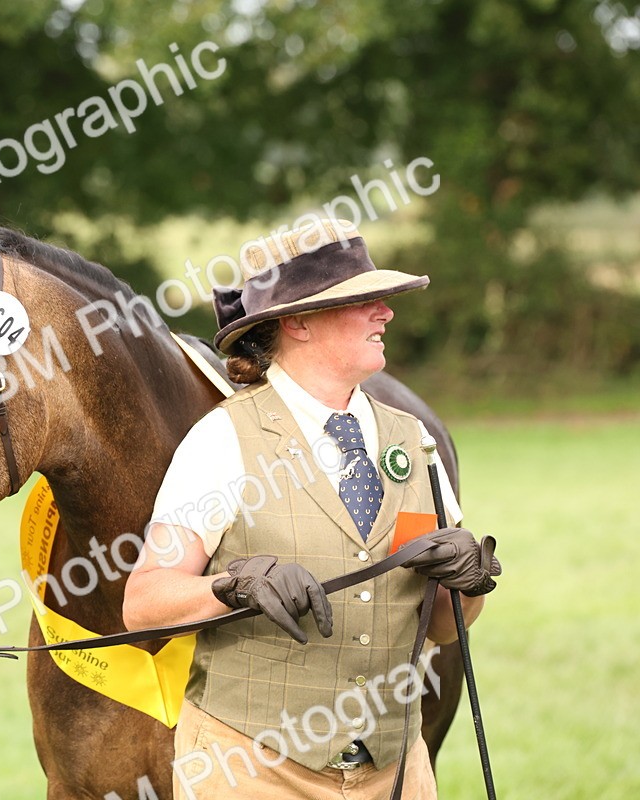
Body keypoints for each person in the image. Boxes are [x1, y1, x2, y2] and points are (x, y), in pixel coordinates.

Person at [122, 220, 501, 800]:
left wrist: (465, 585)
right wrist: (231, 586)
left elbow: (445, 628)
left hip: (396, 771)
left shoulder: (411, 439)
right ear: (298, 321)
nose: (386, 313)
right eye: (364, 301)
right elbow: (143, 604)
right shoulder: (221, 440)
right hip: (250, 771)